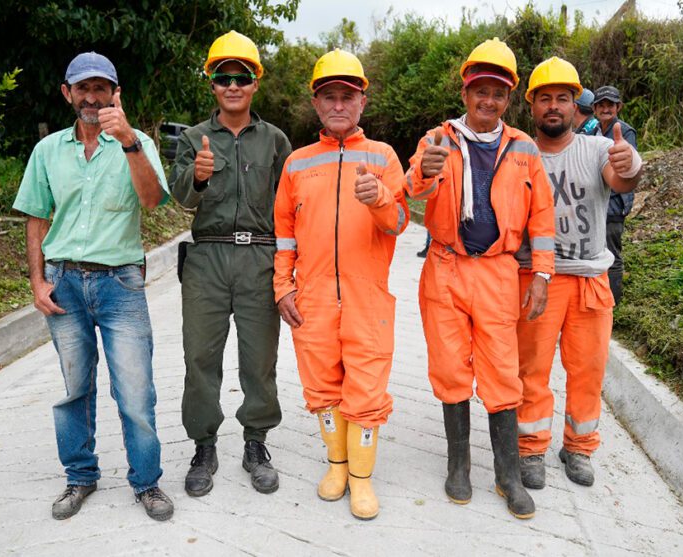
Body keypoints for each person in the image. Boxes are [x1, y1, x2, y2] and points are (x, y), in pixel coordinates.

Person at [12, 52, 174, 521]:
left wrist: (127, 142)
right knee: (74, 388)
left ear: (115, 94)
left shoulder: (137, 142)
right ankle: (80, 476)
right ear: (68, 93)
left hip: (120, 283)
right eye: (82, 88)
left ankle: (147, 483)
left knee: (135, 391)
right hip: (63, 282)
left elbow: (152, 200)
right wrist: (37, 281)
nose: (91, 97)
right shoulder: (47, 151)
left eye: (101, 88)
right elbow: (37, 217)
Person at [405, 38, 555, 520]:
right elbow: (410, 189)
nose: (487, 101)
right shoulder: (438, 138)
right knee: (450, 367)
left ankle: (508, 475)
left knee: (501, 371)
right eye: (479, 91)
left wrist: (543, 275)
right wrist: (424, 175)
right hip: (445, 266)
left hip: (497, 270)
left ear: (508, 99)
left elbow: (542, 217)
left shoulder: (524, 148)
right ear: (465, 92)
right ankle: (458, 465)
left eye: (497, 93)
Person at [273, 49, 409, 520]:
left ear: (362, 103)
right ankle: (336, 466)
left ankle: (362, 481)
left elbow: (399, 223)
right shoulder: (296, 164)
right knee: (322, 386)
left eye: (346, 97)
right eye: (328, 96)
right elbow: (284, 232)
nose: (338, 105)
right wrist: (282, 286)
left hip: (367, 294)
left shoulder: (383, 157)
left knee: (367, 389)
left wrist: (380, 199)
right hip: (311, 295)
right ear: (316, 103)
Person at [170, 31, 292, 498]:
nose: (233, 86)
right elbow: (180, 199)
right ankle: (203, 445)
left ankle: (256, 442)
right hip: (207, 257)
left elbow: (289, 207)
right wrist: (197, 178)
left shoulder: (276, 141)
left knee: (259, 358)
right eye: (224, 78)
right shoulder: (194, 138)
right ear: (213, 84)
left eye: (242, 77)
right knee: (200, 356)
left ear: (255, 82)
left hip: (261, 256)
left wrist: (289, 265)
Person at [517, 58, 643, 490]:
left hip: (590, 279)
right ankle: (530, 447)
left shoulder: (596, 149)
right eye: (545, 98)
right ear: (531, 104)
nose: (554, 106)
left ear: (576, 105)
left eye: (563, 99)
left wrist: (630, 165)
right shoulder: (518, 152)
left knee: (588, 369)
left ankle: (579, 446)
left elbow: (622, 178)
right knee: (531, 368)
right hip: (535, 278)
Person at [592, 85, 638, 305]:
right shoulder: (594, 132)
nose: (605, 109)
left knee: (612, 255)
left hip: (614, 203)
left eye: (610, 105)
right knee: (599, 251)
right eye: (601, 105)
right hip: (599, 202)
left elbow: (629, 169)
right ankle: (600, 299)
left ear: (618, 107)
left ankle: (613, 304)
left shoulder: (624, 131)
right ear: (594, 108)